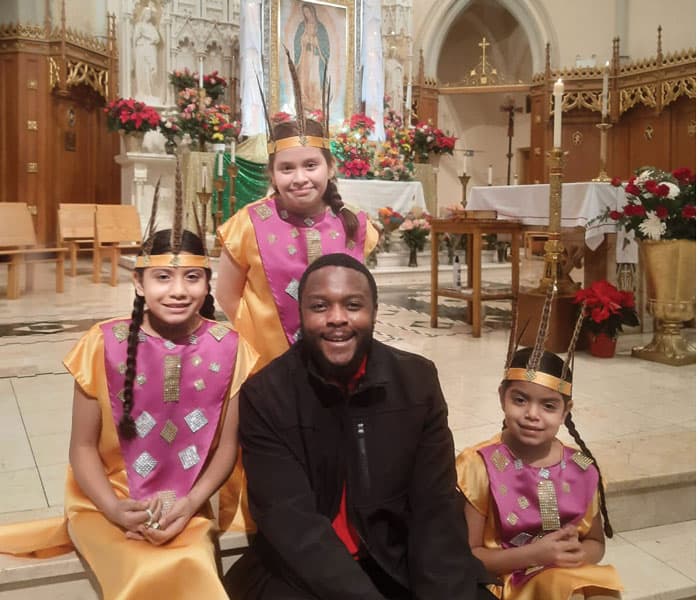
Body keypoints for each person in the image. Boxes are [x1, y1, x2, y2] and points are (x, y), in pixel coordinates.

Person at [224, 253, 495, 599]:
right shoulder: (267, 394)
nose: (337, 319)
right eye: (320, 307)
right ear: (301, 315)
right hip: (303, 573)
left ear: (375, 311)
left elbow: (435, 508)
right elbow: (291, 523)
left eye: (353, 305)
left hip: (396, 559)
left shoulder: (416, 381)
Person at [455, 346, 623, 600]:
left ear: (566, 411)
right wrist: (536, 555)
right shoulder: (480, 464)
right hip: (507, 579)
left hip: (568, 572)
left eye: (548, 405)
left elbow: (595, 543)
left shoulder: (582, 467)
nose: (532, 415)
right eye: (520, 400)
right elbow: (469, 555)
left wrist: (575, 554)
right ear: (502, 397)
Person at [215, 117, 378, 368]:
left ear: (331, 167)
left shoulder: (354, 223)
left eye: (311, 165)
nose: (300, 178)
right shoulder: (247, 224)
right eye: (287, 168)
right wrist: (259, 336)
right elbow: (228, 296)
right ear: (272, 174)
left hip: (339, 363)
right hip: (266, 365)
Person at [293, 2, 330, 111]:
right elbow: (297, 41)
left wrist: (316, 41)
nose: (307, 14)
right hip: (304, 56)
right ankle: (304, 102)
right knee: (304, 78)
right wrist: (303, 40)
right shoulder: (301, 26)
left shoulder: (321, 27)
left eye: (308, 12)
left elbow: (325, 44)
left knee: (314, 78)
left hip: (315, 57)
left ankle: (315, 103)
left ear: (312, 12)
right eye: (305, 13)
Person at [133, 5, 161, 101]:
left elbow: (157, 39)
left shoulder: (152, 27)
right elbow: (135, 39)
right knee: (143, 70)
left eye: (150, 14)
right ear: (144, 14)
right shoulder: (139, 25)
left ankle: (150, 92)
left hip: (151, 50)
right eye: (148, 13)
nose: (149, 15)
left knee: (153, 71)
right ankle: (143, 92)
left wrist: (152, 39)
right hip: (142, 50)